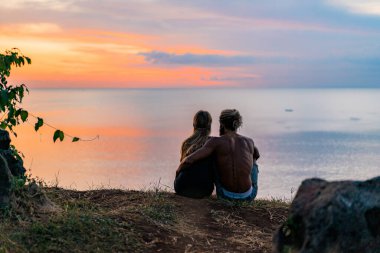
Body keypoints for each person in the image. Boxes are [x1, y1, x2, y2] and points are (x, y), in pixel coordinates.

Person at [177, 109, 260, 201]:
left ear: (222, 123)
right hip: (248, 196)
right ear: (238, 123)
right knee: (254, 161)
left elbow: (189, 160)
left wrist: (178, 171)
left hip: (225, 196)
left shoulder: (215, 142)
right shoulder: (249, 141)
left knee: (216, 157)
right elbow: (257, 154)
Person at [174, 110, 215, 198]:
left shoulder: (187, 143)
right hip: (204, 190)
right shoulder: (212, 144)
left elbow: (183, 164)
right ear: (209, 125)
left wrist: (177, 173)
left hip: (181, 188)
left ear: (194, 125)